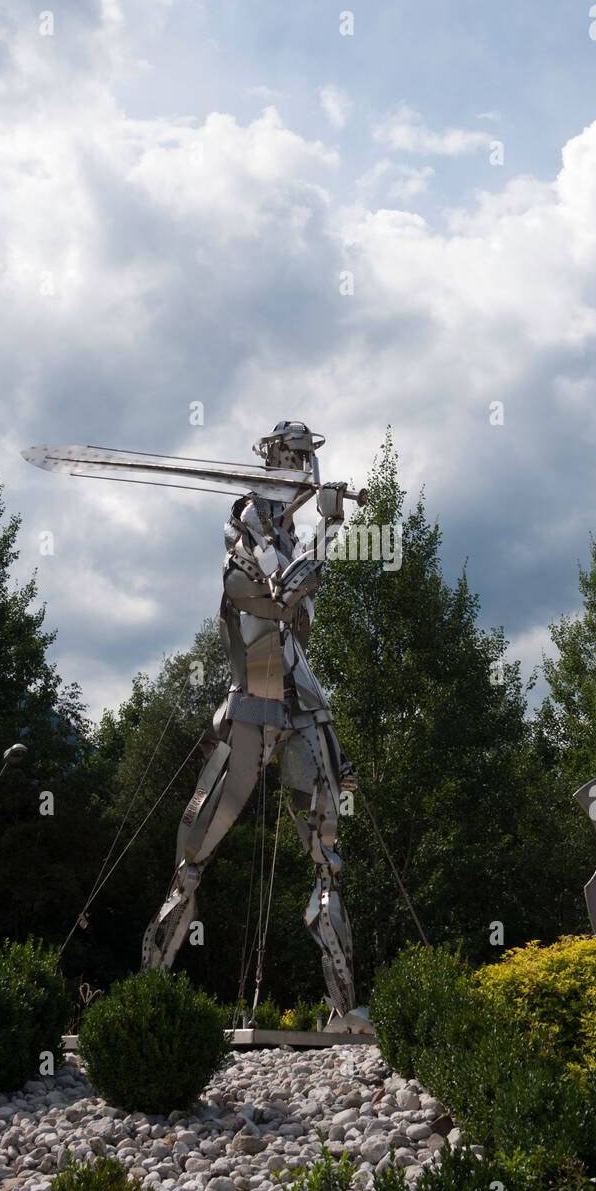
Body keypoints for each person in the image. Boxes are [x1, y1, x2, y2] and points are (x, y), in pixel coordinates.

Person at [142, 421, 371, 1032]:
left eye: (309, 461)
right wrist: (328, 533)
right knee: (194, 852)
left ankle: (343, 1008)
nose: (306, 472)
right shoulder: (247, 531)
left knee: (328, 856)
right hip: (252, 704)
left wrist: (317, 530)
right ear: (271, 460)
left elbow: (298, 626)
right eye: (295, 459)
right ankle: (148, 997)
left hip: (300, 703)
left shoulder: (290, 534)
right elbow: (282, 592)